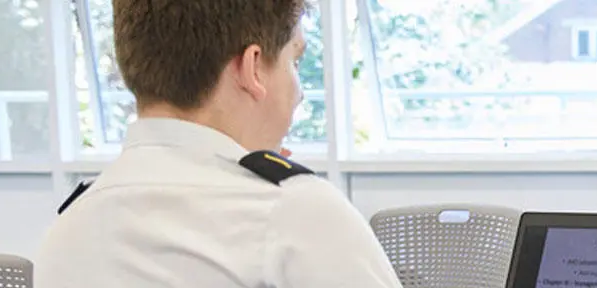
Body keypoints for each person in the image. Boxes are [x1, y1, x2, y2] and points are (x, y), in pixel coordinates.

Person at [36, 1, 404, 287]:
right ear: (253, 67)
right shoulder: (297, 213)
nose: (299, 93)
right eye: (294, 60)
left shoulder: (69, 230)